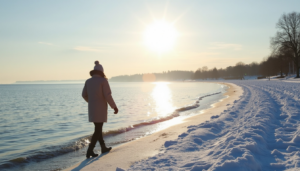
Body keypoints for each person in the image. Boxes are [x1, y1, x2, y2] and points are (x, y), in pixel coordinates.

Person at [82, 61, 119, 158]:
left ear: (94, 72)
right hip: (101, 108)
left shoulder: (88, 81)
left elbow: (84, 95)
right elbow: (108, 95)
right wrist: (114, 106)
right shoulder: (103, 81)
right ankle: (90, 150)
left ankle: (103, 147)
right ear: (102, 72)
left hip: (92, 109)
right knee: (98, 129)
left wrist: (91, 102)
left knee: (98, 128)